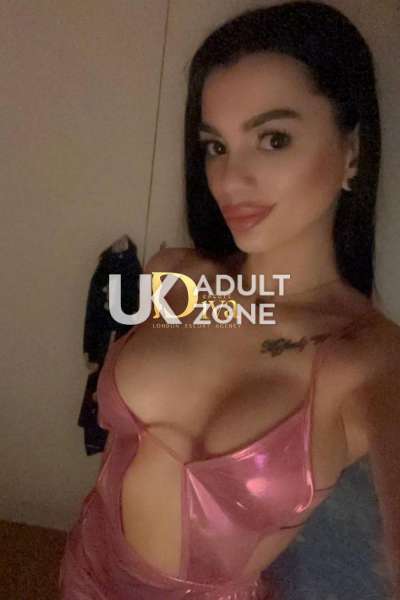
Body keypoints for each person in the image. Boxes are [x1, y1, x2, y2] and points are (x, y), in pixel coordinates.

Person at [59, 2, 400, 598]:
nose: (230, 181)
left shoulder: (369, 358)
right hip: (84, 569)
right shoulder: (176, 276)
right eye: (216, 146)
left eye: (273, 139)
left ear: (352, 151)